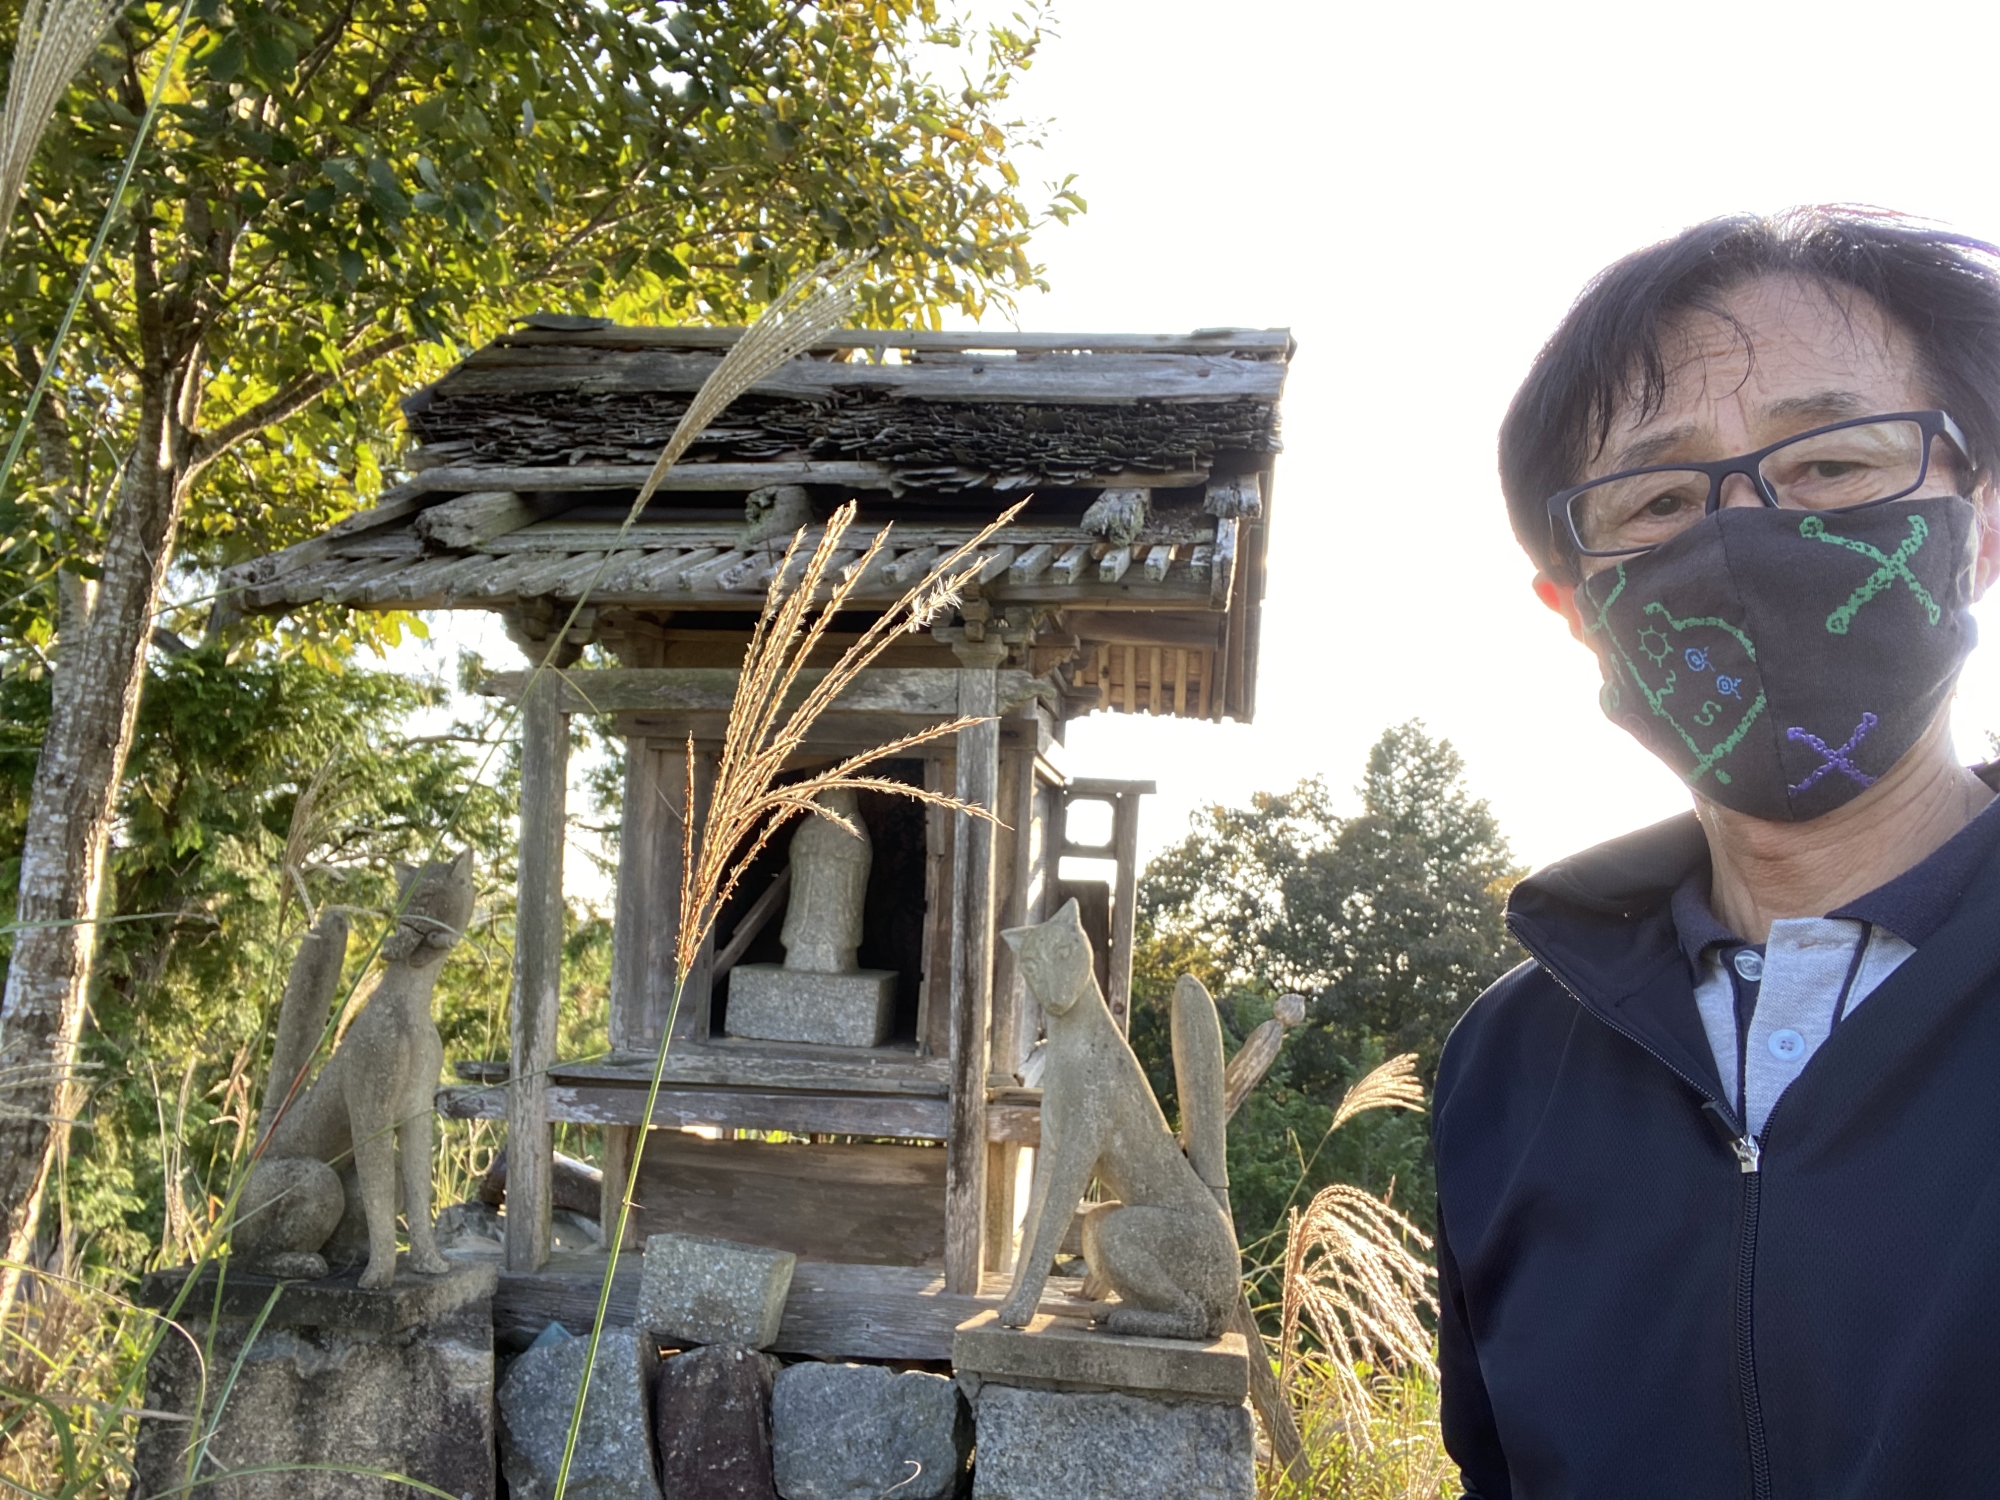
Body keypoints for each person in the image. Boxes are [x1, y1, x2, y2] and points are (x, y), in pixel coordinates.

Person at [1435, 208, 2000, 1500]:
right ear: (1579, 611)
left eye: (1834, 465)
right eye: (1660, 500)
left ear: (1979, 526)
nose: (1746, 530)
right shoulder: (1509, 1068)